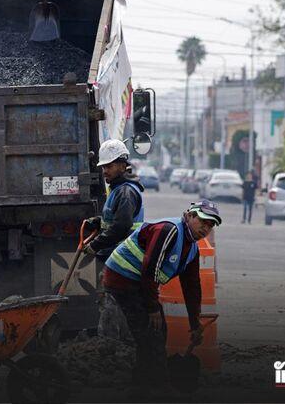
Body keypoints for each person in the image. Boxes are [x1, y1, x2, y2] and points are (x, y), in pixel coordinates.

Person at [101, 200, 222, 396]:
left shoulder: (192, 249)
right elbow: (150, 268)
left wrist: (194, 322)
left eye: (210, 225)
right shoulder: (170, 230)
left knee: (157, 331)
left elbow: (192, 287)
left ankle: (141, 384)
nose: (206, 228)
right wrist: (152, 308)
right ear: (189, 216)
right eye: (203, 221)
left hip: (139, 284)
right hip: (122, 279)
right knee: (150, 333)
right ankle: (159, 386)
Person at [83, 139, 145, 340]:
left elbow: (121, 226)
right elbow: (114, 220)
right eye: (103, 167)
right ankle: (123, 342)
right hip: (116, 258)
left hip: (122, 260)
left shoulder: (126, 192)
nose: (105, 171)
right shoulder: (118, 190)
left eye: (109, 166)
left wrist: (95, 245)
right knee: (118, 303)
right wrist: (98, 222)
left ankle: (109, 346)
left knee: (110, 302)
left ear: (121, 164)